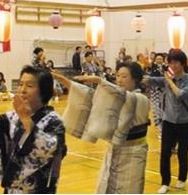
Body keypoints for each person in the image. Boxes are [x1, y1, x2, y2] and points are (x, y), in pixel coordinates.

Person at [52, 62, 150, 194]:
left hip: (133, 154)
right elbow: (90, 97)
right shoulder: (115, 98)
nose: (119, 80)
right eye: (118, 76)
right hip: (113, 151)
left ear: (135, 79)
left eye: (124, 76)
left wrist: (100, 81)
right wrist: (63, 80)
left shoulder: (141, 99)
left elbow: (123, 97)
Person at [144, 49, 188, 194]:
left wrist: (169, 81)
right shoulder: (166, 79)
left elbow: (181, 95)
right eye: (171, 62)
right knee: (165, 153)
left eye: (176, 62)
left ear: (183, 63)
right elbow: (149, 80)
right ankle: (165, 182)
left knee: (182, 152)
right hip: (168, 121)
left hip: (185, 123)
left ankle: (182, 179)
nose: (172, 66)